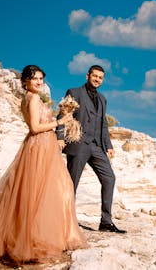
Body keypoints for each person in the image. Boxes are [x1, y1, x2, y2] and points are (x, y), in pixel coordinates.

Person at [0, 65, 87, 265]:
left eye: (41, 78)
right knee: (46, 192)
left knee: (43, 191)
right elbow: (35, 127)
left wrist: (62, 113)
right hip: (39, 147)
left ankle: (43, 235)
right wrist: (60, 122)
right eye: (35, 79)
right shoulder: (33, 98)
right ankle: (35, 239)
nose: (39, 82)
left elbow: (38, 120)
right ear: (25, 82)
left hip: (42, 146)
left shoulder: (31, 98)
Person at [56, 65, 125, 234]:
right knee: (71, 184)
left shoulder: (102, 99)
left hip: (97, 146)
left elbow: (103, 124)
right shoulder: (74, 92)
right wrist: (59, 137)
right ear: (88, 76)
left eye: (100, 77)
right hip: (78, 145)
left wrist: (108, 145)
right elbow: (62, 115)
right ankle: (65, 222)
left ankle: (106, 222)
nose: (97, 79)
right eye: (94, 76)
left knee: (109, 178)